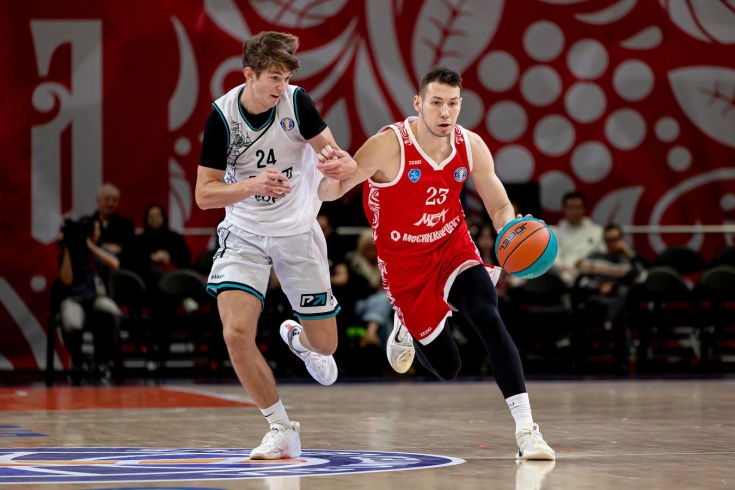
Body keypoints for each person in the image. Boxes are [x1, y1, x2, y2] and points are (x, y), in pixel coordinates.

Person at [315, 66, 555, 460]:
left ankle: (527, 430)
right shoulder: (388, 145)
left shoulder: (470, 145)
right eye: (437, 103)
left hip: (451, 246)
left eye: (453, 104)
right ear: (418, 103)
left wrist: (511, 230)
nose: (446, 112)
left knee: (488, 315)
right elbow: (334, 189)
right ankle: (406, 325)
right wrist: (328, 174)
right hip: (405, 265)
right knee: (448, 367)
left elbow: (498, 204)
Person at [194, 31, 355, 461]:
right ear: (249, 74)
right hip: (244, 233)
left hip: (297, 230)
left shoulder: (298, 104)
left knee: (327, 346)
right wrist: (252, 185)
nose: (281, 87)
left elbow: (332, 160)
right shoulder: (222, 117)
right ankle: (281, 428)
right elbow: (204, 194)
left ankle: (300, 341)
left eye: (286, 78)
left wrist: (340, 165)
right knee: (235, 333)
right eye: (273, 79)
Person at [56, 216, 122, 384]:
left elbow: (115, 264)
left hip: (97, 298)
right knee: (71, 322)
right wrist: (67, 247)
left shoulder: (101, 250)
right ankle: (78, 361)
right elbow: (66, 280)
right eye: (92, 229)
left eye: (98, 229)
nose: (96, 232)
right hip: (74, 298)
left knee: (111, 312)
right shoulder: (71, 252)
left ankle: (102, 363)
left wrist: (91, 247)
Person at [575, 224, 648, 368]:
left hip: (620, 302)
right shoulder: (596, 257)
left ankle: (620, 360)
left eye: (615, 239)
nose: (611, 243)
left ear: (622, 239)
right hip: (597, 299)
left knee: (622, 292)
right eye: (608, 240)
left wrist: (631, 255)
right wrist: (598, 286)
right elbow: (581, 279)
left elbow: (642, 278)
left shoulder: (628, 259)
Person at [550, 191, 604, 287]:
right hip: (566, 274)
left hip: (591, 271)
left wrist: (587, 264)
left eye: (578, 207)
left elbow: (602, 253)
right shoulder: (555, 233)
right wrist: (561, 267)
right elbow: (554, 256)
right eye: (571, 208)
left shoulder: (597, 231)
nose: (574, 211)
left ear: (584, 208)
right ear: (565, 209)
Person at [89, 183, 136, 261]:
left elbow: (130, 248)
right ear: (98, 201)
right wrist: (107, 247)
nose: (110, 204)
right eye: (106, 199)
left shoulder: (126, 225)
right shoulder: (88, 223)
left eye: (114, 200)